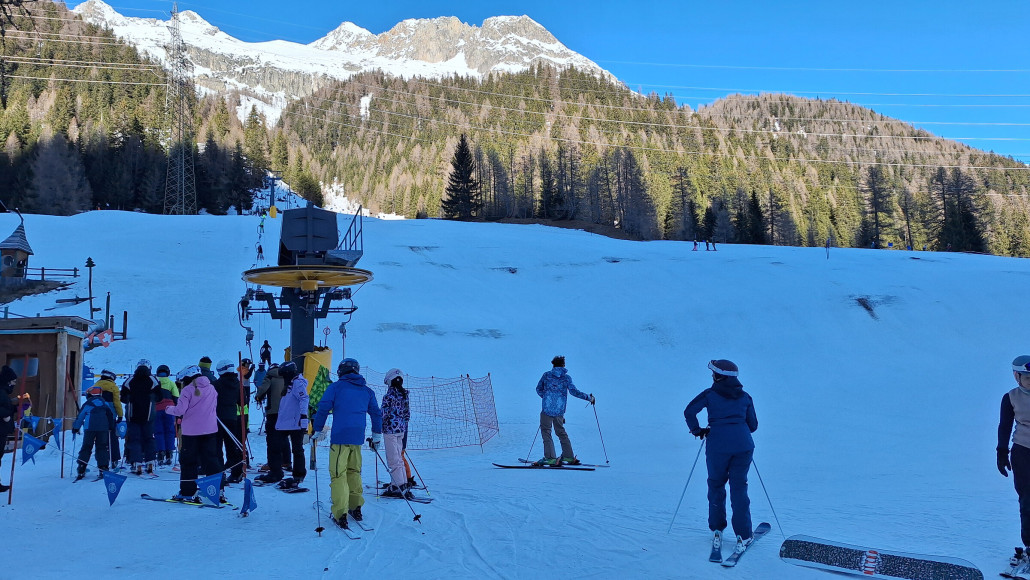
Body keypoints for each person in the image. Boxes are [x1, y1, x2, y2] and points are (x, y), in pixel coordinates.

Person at [684, 359, 759, 560]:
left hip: (717, 446)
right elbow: (753, 426)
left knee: (716, 485)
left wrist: (697, 430)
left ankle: (717, 529)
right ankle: (743, 535)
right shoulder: (745, 397)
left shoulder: (709, 395)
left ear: (718, 377)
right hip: (743, 447)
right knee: (739, 488)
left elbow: (689, 411)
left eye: (713, 374)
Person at [311, 358, 383, 530]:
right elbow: (376, 413)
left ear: (341, 371)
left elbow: (323, 408)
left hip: (340, 438)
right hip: (357, 438)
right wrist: (376, 436)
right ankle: (356, 507)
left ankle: (340, 512)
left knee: (338, 474)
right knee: (354, 472)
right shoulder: (367, 391)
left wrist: (318, 430)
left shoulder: (335, 387)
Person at [165, 365, 224, 503]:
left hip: (191, 432)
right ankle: (217, 489)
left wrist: (168, 409)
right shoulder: (211, 388)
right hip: (210, 430)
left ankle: (187, 491)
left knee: (188, 461)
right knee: (211, 460)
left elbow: (180, 410)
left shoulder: (188, 389)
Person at [997, 355, 1030, 567]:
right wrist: (1001, 452)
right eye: (1028, 377)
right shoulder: (1011, 397)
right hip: (1023, 453)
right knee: (1027, 500)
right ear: (1016, 376)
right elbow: (1005, 426)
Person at [534, 355, 594, 466]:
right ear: (563, 365)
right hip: (559, 410)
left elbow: (538, 389)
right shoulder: (566, 378)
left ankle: (550, 458)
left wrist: (546, 398)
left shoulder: (546, 375)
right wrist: (589, 398)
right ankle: (568, 456)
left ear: (553, 364)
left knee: (546, 432)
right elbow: (574, 392)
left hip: (546, 409)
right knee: (561, 432)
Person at [264, 361, 308, 488]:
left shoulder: (297, 383)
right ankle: (276, 472)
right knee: (274, 446)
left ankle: (298, 475)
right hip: (285, 421)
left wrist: (303, 417)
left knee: (297, 449)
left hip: (295, 422)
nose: (283, 377)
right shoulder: (289, 382)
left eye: (284, 375)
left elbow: (304, 398)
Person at [121, 359, 160, 475]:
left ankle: (137, 463)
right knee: (149, 438)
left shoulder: (129, 380)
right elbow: (160, 397)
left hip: (132, 414)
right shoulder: (153, 380)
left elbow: (123, 397)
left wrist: (131, 399)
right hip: (149, 414)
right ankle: (150, 462)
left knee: (135, 439)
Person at [72, 385, 116, 480]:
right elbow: (110, 416)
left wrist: (76, 427)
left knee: (86, 447)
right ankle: (103, 467)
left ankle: (82, 467)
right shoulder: (106, 404)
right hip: (103, 429)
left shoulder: (87, 404)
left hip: (89, 428)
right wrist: (111, 427)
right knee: (102, 447)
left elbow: (80, 416)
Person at [213, 359, 246, 484]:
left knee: (217, 448)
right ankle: (237, 473)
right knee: (232, 447)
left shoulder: (216, 384)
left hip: (217, 419)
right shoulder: (238, 384)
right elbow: (243, 401)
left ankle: (220, 474)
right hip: (232, 418)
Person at [255, 362, 292, 472]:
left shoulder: (269, 376)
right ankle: (286, 461)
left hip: (273, 411)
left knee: (272, 439)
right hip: (285, 412)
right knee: (284, 437)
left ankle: (273, 463)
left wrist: (258, 397)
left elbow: (262, 390)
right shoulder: (286, 377)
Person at [381, 368, 411, 497]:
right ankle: (402, 482)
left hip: (390, 431)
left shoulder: (388, 396)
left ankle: (397, 485)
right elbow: (407, 414)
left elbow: (383, 414)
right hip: (401, 430)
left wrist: (378, 426)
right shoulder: (404, 395)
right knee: (398, 457)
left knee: (393, 459)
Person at [96, 369, 124, 468]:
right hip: (110, 416)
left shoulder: (95, 386)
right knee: (112, 437)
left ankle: (102, 459)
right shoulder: (113, 387)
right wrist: (120, 415)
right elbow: (117, 403)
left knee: (100, 438)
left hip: (97, 416)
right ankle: (114, 459)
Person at [154, 365, 179, 466]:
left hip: (157, 409)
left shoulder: (155, 383)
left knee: (158, 431)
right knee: (170, 431)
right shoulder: (171, 383)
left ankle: (160, 453)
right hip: (170, 409)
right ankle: (169, 454)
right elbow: (176, 397)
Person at [0, 365, 17, 491]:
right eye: (14, 382)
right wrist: (5, 414)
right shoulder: (1, 391)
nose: (14, 384)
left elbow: (6, 407)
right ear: (8, 381)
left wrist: (17, 409)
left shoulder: (4, 392)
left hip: (3, 429)